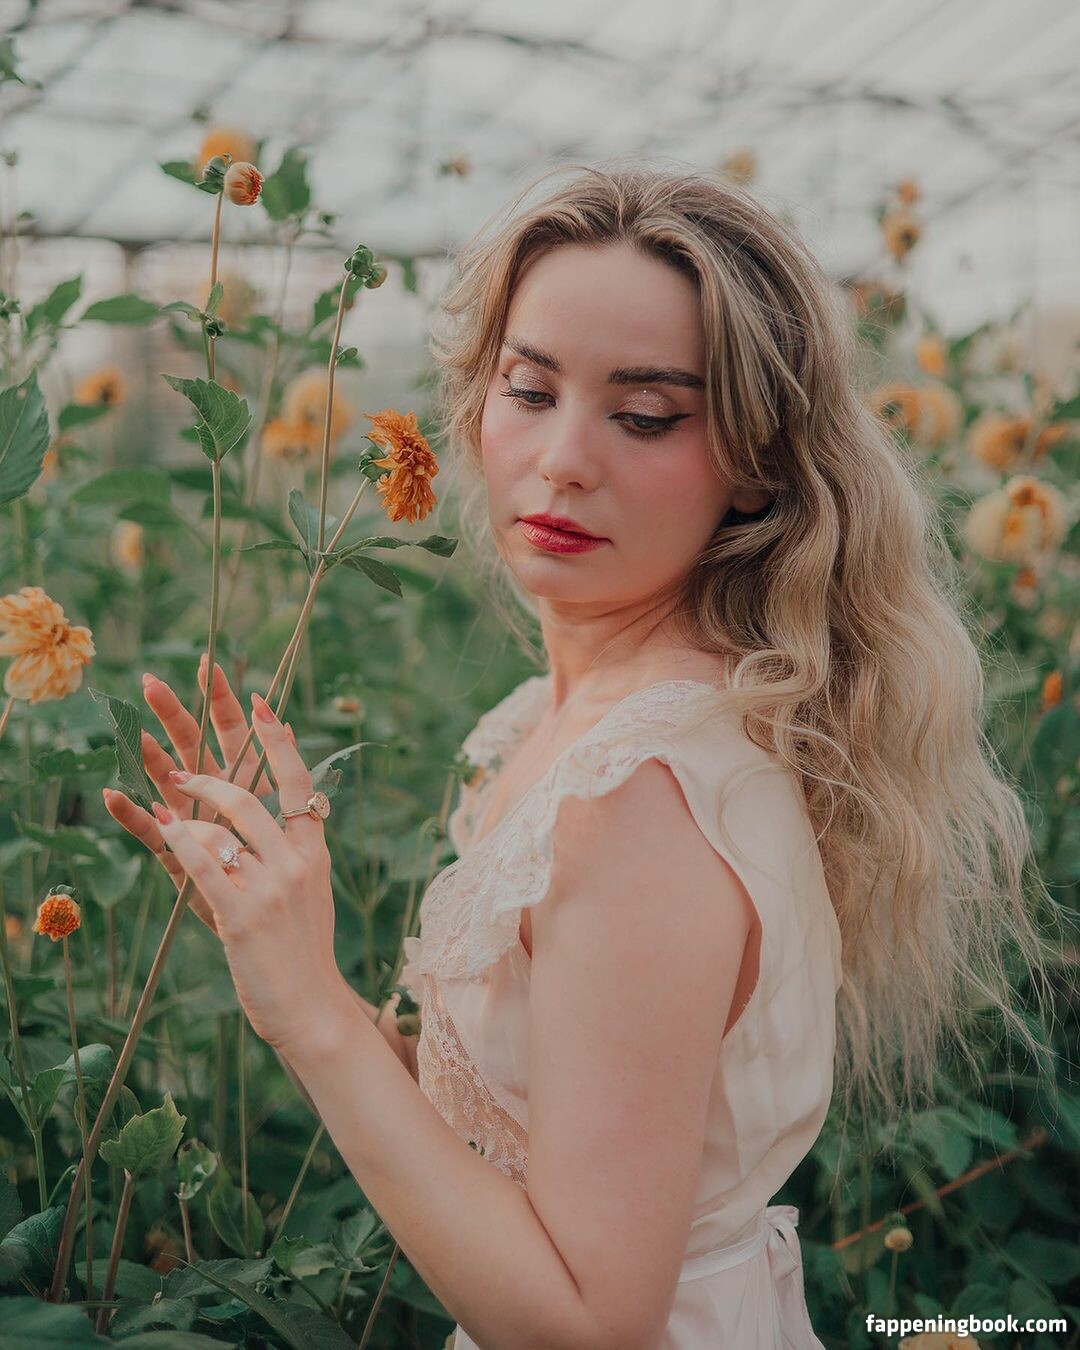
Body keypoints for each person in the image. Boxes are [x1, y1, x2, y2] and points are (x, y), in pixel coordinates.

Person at [107, 161, 1055, 1350]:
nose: (562, 457)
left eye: (646, 414)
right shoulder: (555, 723)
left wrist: (314, 1015)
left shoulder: (636, 796)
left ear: (758, 462)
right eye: (530, 388)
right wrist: (274, 936)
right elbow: (504, 1139)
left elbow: (588, 1325)